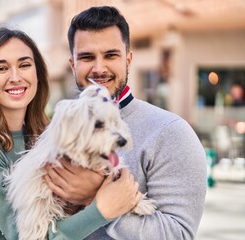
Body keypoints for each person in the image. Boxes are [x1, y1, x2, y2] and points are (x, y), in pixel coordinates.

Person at [0, 27, 141, 240]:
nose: (15, 77)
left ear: (37, 75)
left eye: (24, 65)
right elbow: (24, 234)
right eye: (1, 68)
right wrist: (102, 210)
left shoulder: (45, 138)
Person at [45, 6, 208, 240]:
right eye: (87, 57)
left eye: (111, 55)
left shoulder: (171, 133)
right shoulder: (55, 131)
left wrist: (95, 196)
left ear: (128, 60)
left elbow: (177, 235)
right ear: (73, 65)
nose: (99, 68)